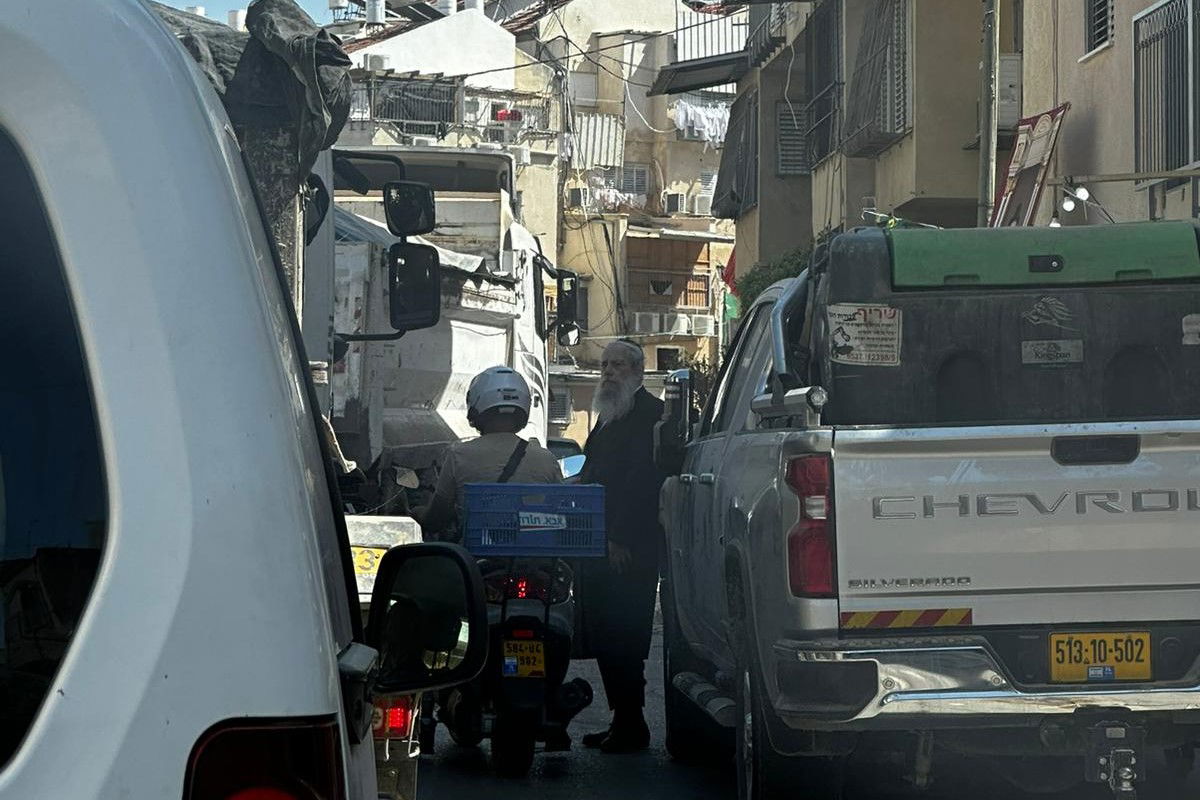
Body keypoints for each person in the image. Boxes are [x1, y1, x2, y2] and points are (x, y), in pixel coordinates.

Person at [576, 338, 665, 754]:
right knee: (605, 636)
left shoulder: (649, 414)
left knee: (625, 636)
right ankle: (623, 720)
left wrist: (620, 537)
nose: (608, 372)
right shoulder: (610, 414)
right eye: (605, 365)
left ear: (637, 372)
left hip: (628, 546)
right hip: (597, 542)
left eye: (618, 366)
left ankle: (632, 725)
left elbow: (642, 480)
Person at [415, 366, 561, 540]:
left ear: (475, 406)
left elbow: (436, 520)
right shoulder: (547, 459)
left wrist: (416, 513)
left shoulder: (459, 455)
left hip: (476, 559)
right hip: (535, 559)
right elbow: (560, 512)